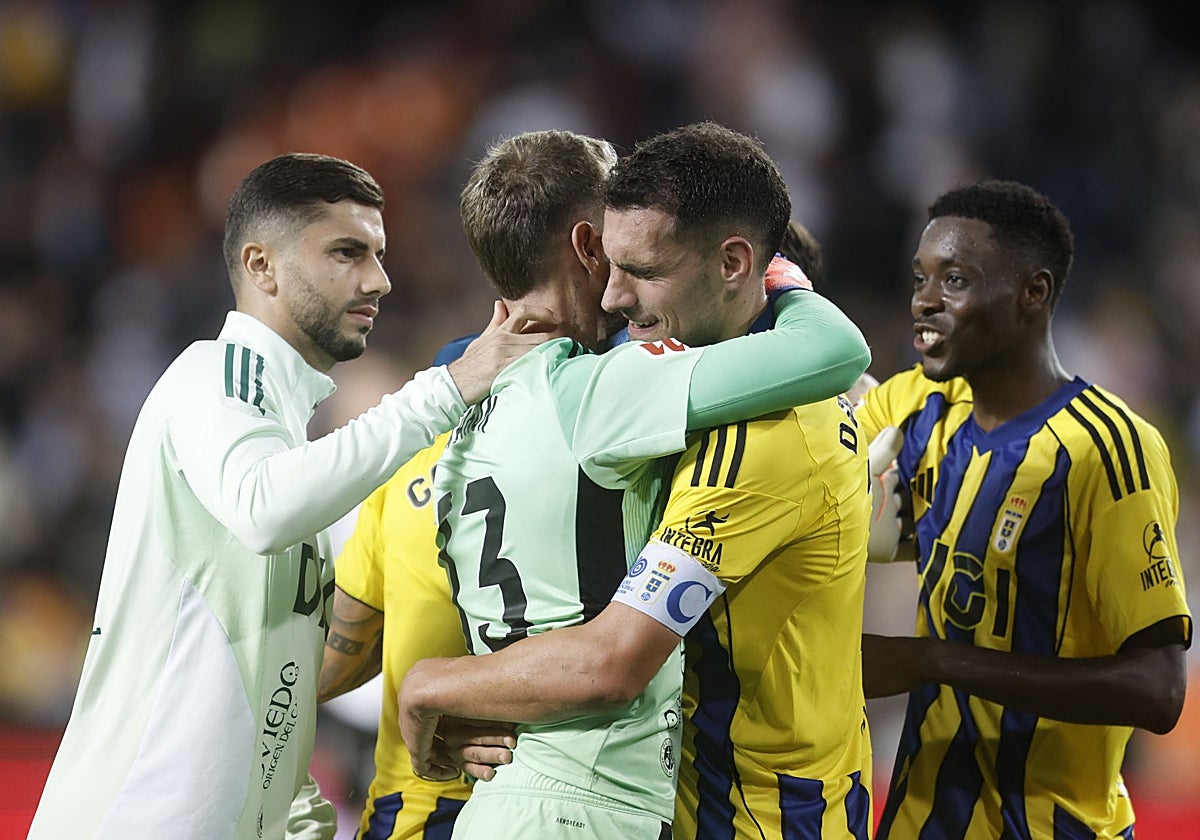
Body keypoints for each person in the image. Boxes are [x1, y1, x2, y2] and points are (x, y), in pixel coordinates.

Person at [27, 152, 553, 840]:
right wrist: (445, 390)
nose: (378, 279)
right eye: (346, 252)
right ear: (262, 265)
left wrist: (294, 817)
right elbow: (263, 508)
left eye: (379, 254)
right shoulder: (215, 373)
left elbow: (270, 686)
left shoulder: (286, 448)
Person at [398, 121, 874, 838]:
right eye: (612, 264)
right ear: (586, 247)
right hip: (592, 800)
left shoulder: (473, 391)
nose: (617, 298)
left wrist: (447, 685)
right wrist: (785, 281)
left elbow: (613, 661)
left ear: (732, 261)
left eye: (643, 269)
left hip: (662, 804)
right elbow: (833, 348)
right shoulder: (613, 388)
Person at [855, 179, 1191, 838]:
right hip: (921, 823)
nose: (925, 300)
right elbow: (823, 436)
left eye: (955, 280)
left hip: (1052, 825)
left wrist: (932, 661)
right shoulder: (920, 406)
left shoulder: (1107, 449)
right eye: (920, 278)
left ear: (1032, 293)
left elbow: (1158, 689)